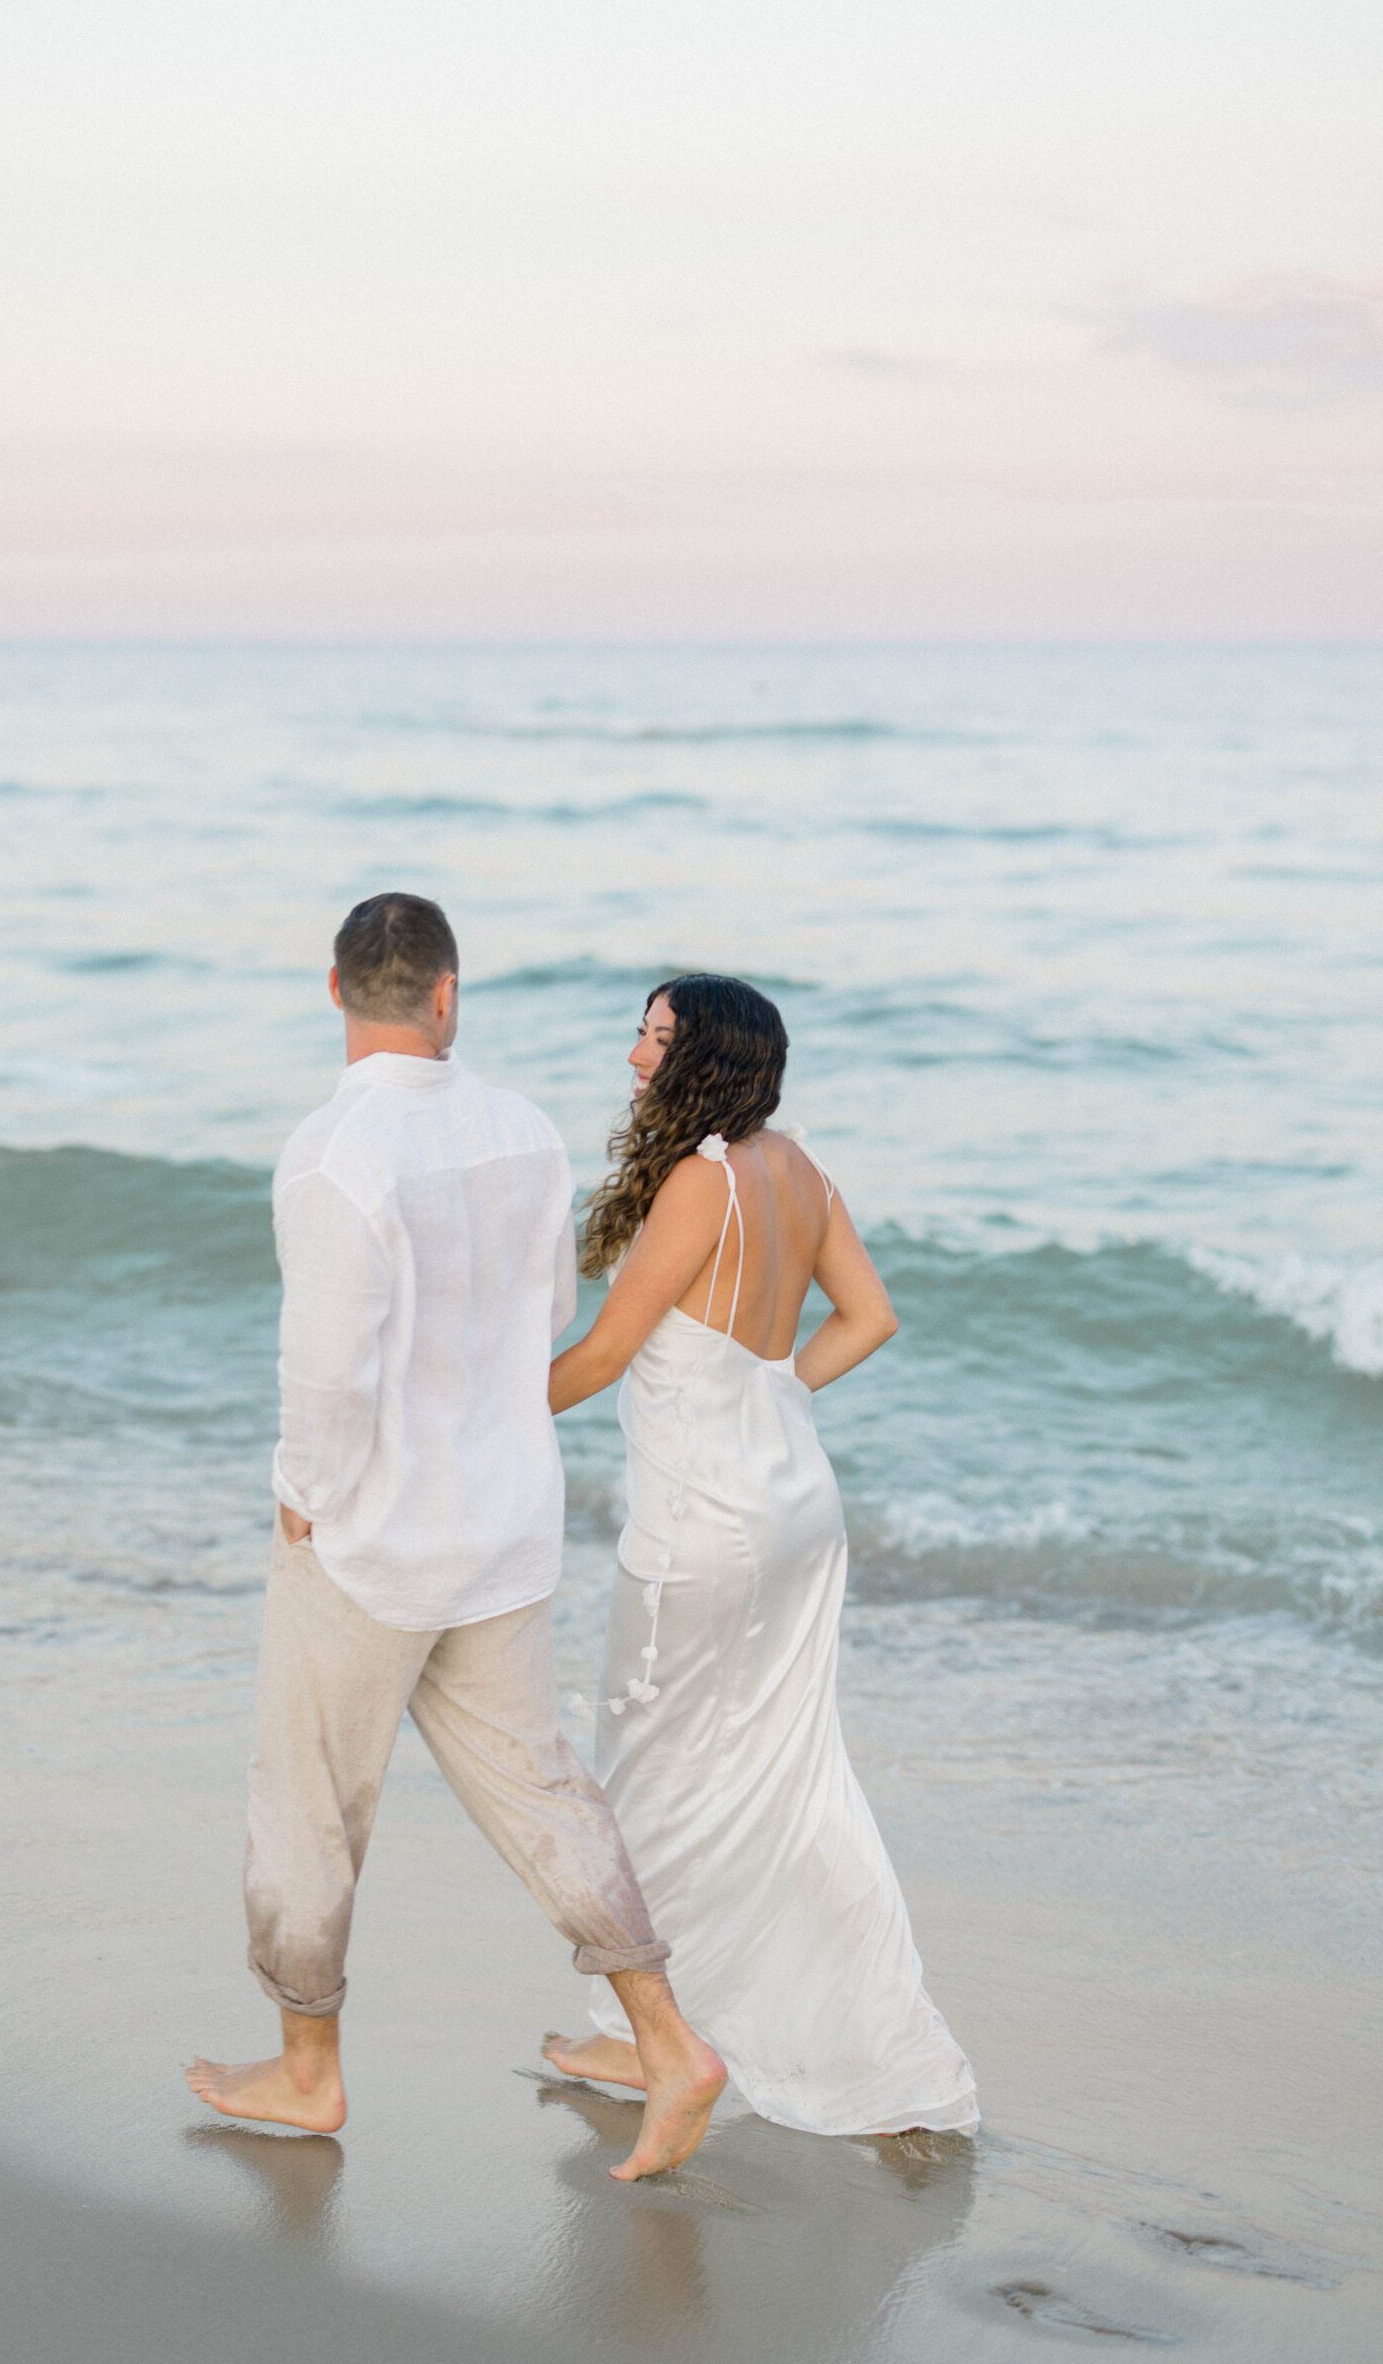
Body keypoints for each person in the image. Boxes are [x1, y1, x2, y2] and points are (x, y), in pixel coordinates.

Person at [186, 896, 726, 2180]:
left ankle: (309, 2072)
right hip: (501, 1528)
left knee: (310, 1807)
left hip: (373, 1542)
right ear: (446, 994)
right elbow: (546, 1313)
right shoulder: (527, 1132)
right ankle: (669, 2045)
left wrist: (302, 1489)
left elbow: (327, 1368)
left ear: (335, 992)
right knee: (542, 1793)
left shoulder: (332, 1153)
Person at [542, 975, 979, 2138]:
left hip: (703, 1528)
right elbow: (869, 1317)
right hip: (794, 1513)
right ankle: (756, 2032)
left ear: (707, 1063)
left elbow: (600, 1357)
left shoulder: (702, 1182)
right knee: (780, 1785)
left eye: (656, 1039)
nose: (635, 1056)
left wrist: (469, 1423)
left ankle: (665, 2045)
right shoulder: (798, 1169)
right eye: (638, 1033)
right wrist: (768, 1391)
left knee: (655, 1780)